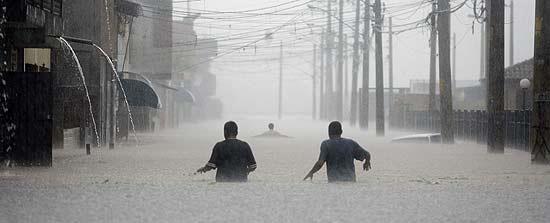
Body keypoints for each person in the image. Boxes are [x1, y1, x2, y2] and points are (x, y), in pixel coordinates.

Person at [304, 121, 371, 182]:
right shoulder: (351, 143)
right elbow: (367, 154)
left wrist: (311, 172)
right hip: (350, 181)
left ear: (329, 132)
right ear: (341, 131)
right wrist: (367, 162)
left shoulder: (326, 144)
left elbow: (320, 163)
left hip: (334, 181)